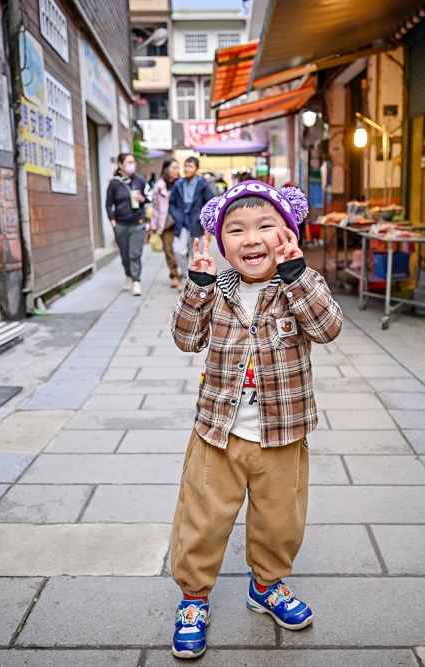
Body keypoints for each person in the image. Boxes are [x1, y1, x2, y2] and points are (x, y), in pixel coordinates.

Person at [168, 181, 343, 659]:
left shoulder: (300, 283)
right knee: (202, 519)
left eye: (266, 226)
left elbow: (328, 328)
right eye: (236, 229)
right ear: (221, 242)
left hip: (283, 433)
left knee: (280, 520)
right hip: (216, 434)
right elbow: (185, 339)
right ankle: (193, 598)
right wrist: (197, 288)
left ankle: (265, 585)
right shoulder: (217, 291)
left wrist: (297, 275)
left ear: (288, 233)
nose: (251, 239)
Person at [106, 153, 151, 296]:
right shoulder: (114, 183)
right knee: (125, 255)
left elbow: (150, 197)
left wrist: (142, 199)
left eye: (133, 162)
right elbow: (108, 203)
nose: (132, 165)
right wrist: (113, 222)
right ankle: (129, 275)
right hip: (120, 224)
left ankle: (136, 282)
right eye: (129, 162)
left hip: (137, 223)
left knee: (135, 254)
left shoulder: (139, 180)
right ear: (120, 164)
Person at [168, 157, 215, 282]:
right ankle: (185, 276)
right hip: (182, 222)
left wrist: (204, 219)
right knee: (178, 250)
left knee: (197, 253)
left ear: (196, 169)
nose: (187, 169)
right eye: (186, 166)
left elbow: (209, 202)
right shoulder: (178, 183)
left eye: (191, 166)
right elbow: (171, 203)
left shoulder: (202, 183)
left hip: (196, 222)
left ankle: (196, 279)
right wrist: (177, 216)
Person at [150, 157, 182, 288]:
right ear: (166, 169)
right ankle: (174, 275)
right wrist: (153, 226)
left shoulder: (182, 184)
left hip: (181, 222)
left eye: (177, 167)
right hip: (166, 223)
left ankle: (185, 273)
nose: (176, 170)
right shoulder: (159, 186)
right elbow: (156, 208)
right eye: (173, 168)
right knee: (168, 250)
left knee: (181, 250)